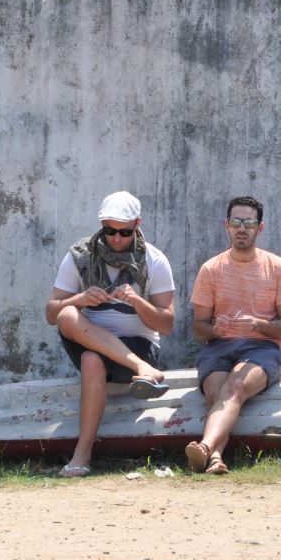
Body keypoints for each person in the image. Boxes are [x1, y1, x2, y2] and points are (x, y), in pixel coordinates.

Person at [46, 191, 176, 478]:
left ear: (138, 225)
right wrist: (78, 299)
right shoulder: (79, 256)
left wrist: (137, 301)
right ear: (102, 224)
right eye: (110, 230)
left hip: (140, 342)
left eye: (125, 231)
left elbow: (166, 324)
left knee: (93, 360)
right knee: (68, 315)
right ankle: (143, 370)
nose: (117, 238)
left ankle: (82, 454)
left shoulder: (154, 261)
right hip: (90, 335)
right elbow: (51, 313)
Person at [186, 195, 281, 475]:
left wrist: (258, 325)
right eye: (236, 222)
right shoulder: (210, 269)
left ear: (259, 228)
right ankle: (215, 459)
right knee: (215, 390)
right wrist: (216, 330)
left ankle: (204, 447)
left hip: (262, 348)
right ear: (226, 225)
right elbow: (198, 327)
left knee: (235, 386)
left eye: (249, 222)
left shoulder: (278, 267)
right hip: (218, 347)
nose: (242, 228)